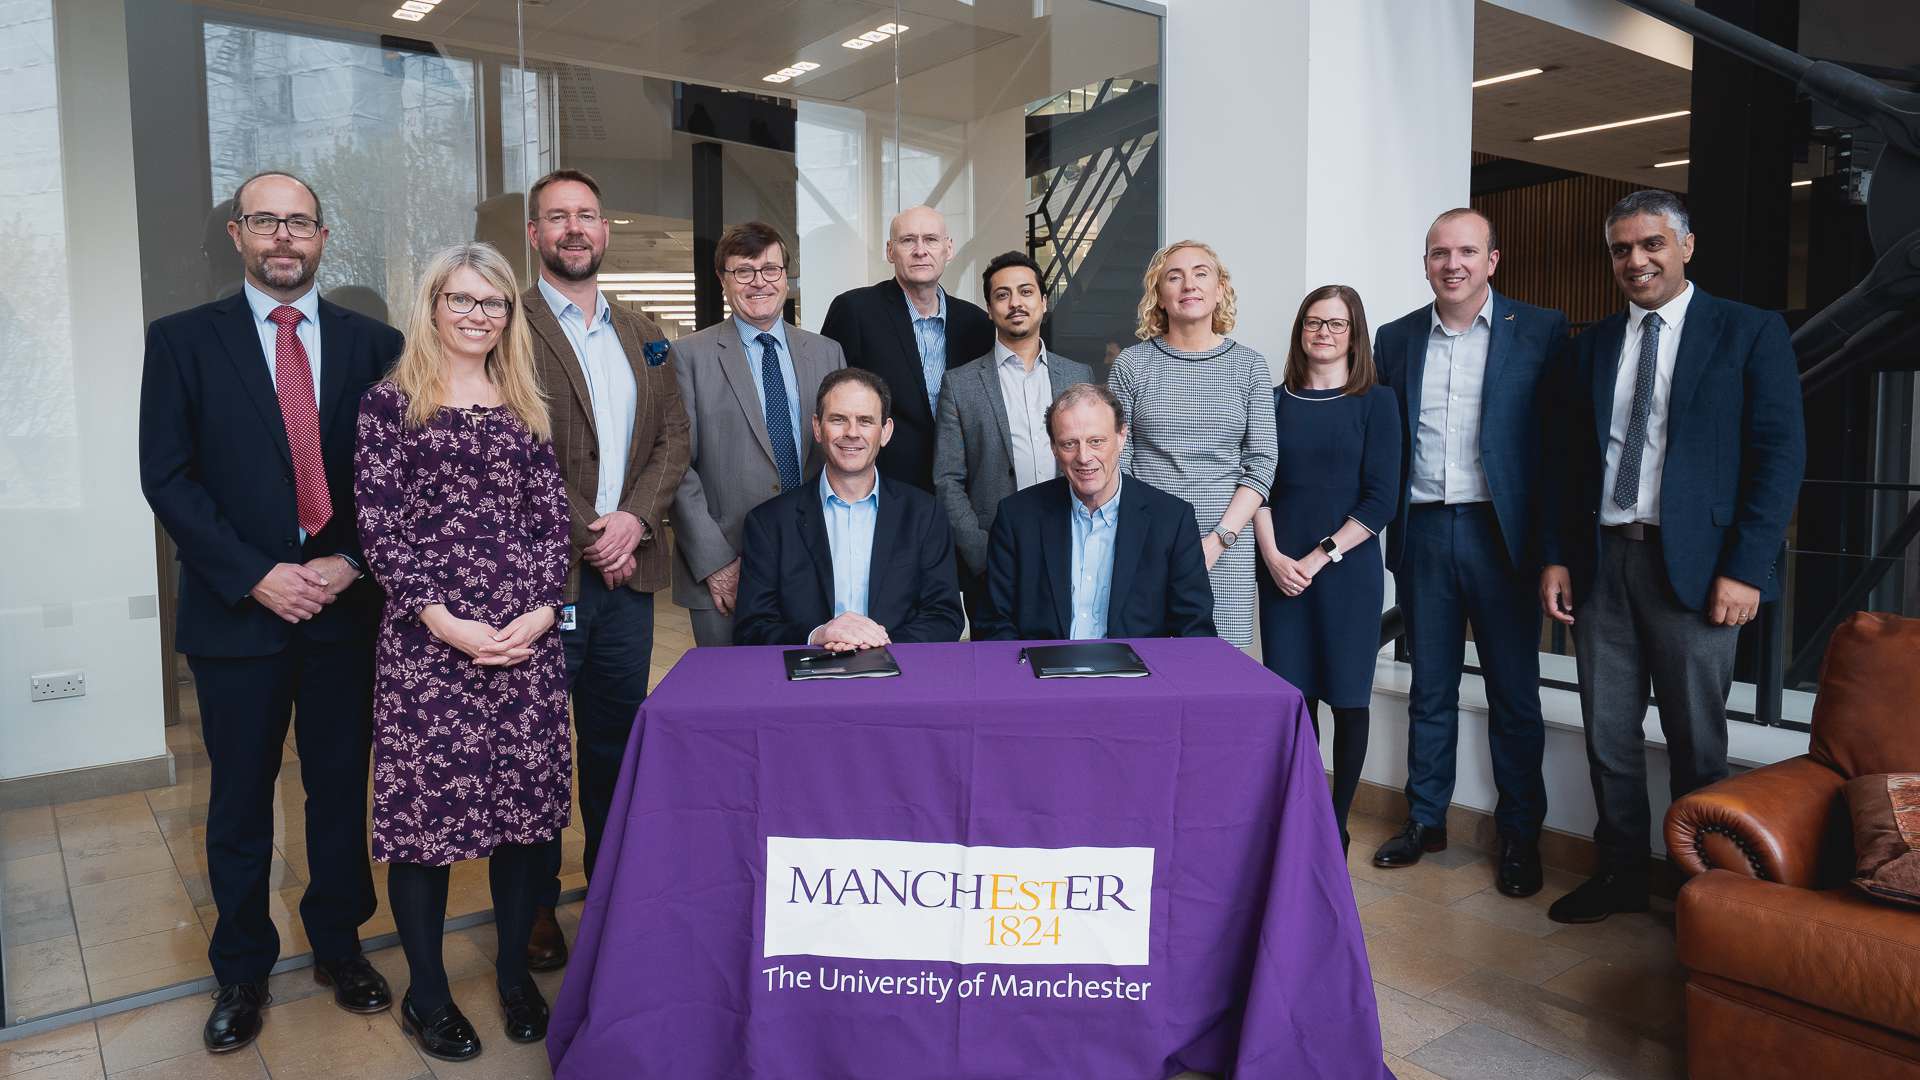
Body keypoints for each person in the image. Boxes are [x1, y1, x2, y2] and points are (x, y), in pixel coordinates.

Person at [138, 170, 399, 1055]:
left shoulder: (379, 345)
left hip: (343, 609)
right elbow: (167, 477)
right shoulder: (181, 341)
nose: (283, 238)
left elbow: (396, 478)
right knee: (241, 802)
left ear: (324, 238)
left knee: (336, 792)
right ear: (238, 236)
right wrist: (257, 575)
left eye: (300, 223)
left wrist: (350, 559)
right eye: (265, 222)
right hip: (238, 616)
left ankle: (340, 946)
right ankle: (242, 969)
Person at [1539, 190, 1805, 923]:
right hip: (1602, 565)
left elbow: (1779, 457)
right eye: (1622, 249)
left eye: (1652, 244)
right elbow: (1567, 460)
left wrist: (1748, 568)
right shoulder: (1591, 345)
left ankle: (1703, 896)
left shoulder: (1748, 332)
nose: (1636, 260)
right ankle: (1621, 875)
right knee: (1609, 737)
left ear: (1686, 246)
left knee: (1697, 743)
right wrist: (1559, 556)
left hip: (1698, 573)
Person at [354, 242, 571, 1061]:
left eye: (494, 303)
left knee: (523, 819)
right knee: (426, 826)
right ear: (433, 305)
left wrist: (546, 609)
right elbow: (378, 524)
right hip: (428, 647)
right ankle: (429, 995)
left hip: (525, 644)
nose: (478, 315)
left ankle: (514, 974)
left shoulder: (524, 400)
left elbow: (553, 520)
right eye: (463, 300)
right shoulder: (390, 403)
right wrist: (441, 619)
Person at [519, 168, 691, 970]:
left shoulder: (643, 327)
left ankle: (613, 889)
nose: (574, 229)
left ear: (605, 228)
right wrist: (592, 528)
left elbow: (674, 440)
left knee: (616, 744)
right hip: (544, 584)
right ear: (535, 235)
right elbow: (512, 453)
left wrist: (632, 521)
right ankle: (534, 907)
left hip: (626, 579)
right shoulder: (507, 327)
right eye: (558, 218)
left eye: (586, 215)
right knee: (539, 749)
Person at [1370, 208, 1568, 900]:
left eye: (1466, 252)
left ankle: (1520, 834)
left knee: (1514, 693)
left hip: (1503, 538)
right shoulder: (1394, 339)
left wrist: (1552, 552)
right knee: (1431, 689)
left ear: (1493, 259)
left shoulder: (1540, 330)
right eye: (1438, 253)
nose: (1451, 264)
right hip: (1422, 530)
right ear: (1426, 263)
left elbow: (1556, 450)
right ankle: (1425, 819)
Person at [1253, 286, 1399, 854]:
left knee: (1348, 697)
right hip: (1281, 573)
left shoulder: (1376, 403)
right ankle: (1306, 812)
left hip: (1345, 573)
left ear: (1354, 334)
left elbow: (1380, 500)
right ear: (1300, 331)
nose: (1323, 334)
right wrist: (1272, 557)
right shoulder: (1271, 401)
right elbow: (1257, 482)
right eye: (1314, 323)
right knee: (1296, 699)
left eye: (1336, 325)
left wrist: (1318, 558)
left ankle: (1336, 822)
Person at [672, 221, 846, 646]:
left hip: (816, 556)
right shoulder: (688, 356)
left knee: (813, 692)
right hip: (726, 561)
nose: (758, 283)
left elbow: (840, 455)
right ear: (723, 280)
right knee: (729, 696)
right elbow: (675, 466)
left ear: (785, 276)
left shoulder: (826, 352)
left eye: (770, 269)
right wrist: (715, 562)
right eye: (743, 271)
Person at [1107, 240, 1277, 648]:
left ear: (1220, 290)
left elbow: (1262, 462)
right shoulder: (1132, 364)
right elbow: (1118, 460)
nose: (1189, 284)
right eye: (1174, 276)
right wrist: (1152, 538)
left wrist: (1219, 539)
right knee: (1144, 660)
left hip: (1227, 543)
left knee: (1220, 666)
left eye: (1201, 273)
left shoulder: (1250, 365)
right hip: (1145, 538)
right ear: (1159, 296)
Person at [732, 368, 965, 648]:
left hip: (898, 674)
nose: (852, 433)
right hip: (807, 677)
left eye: (865, 421)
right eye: (838, 420)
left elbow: (945, 616)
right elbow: (751, 627)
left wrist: (877, 646)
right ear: (817, 428)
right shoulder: (769, 523)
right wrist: (817, 636)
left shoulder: (924, 514)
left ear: (885, 431)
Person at [979, 382, 1215, 641]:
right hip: (1040, 674)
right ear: (1054, 449)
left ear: (1122, 437)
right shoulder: (1017, 517)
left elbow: (1194, 630)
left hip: (1137, 676)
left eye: (1096, 441)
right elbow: (993, 623)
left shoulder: (1171, 520)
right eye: (1069, 444)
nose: (1084, 456)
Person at [932, 251, 1092, 628]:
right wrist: (981, 552)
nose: (1015, 303)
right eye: (1002, 295)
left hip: (1073, 548)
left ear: (1043, 301)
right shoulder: (960, 383)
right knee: (1000, 668)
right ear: (989, 309)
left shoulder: (1078, 375)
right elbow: (947, 479)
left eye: (1025, 291)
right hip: (993, 557)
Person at [820, 204, 994, 492]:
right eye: (908, 240)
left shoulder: (976, 323)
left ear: (948, 249)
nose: (920, 250)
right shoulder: (854, 310)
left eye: (931, 240)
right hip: (881, 487)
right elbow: (830, 402)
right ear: (890, 251)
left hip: (962, 489)